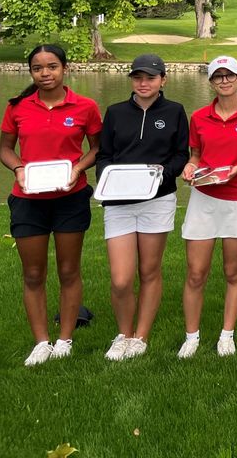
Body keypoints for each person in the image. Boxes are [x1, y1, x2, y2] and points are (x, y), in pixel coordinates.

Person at [0, 44, 102, 366]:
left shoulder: (85, 107)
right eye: (38, 68)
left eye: (52, 66)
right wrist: (18, 168)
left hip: (70, 198)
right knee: (33, 274)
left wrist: (78, 168)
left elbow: (97, 148)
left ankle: (65, 339)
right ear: (31, 72)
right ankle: (42, 342)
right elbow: (5, 150)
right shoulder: (17, 107)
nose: (45, 73)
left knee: (69, 270)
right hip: (28, 200)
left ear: (64, 69)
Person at [96, 54, 189, 361]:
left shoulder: (175, 111)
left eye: (150, 77)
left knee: (149, 270)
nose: (143, 83)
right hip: (119, 202)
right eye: (138, 77)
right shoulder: (115, 112)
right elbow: (104, 155)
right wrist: (109, 180)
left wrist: (162, 175)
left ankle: (140, 336)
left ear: (163, 80)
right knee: (121, 278)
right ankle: (123, 334)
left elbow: (181, 155)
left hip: (157, 200)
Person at [178, 56, 237, 358]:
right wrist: (190, 167)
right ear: (211, 82)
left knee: (233, 270)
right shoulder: (199, 117)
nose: (224, 81)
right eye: (218, 76)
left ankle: (227, 334)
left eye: (230, 75)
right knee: (195, 272)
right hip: (204, 197)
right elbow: (196, 155)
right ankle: (191, 336)